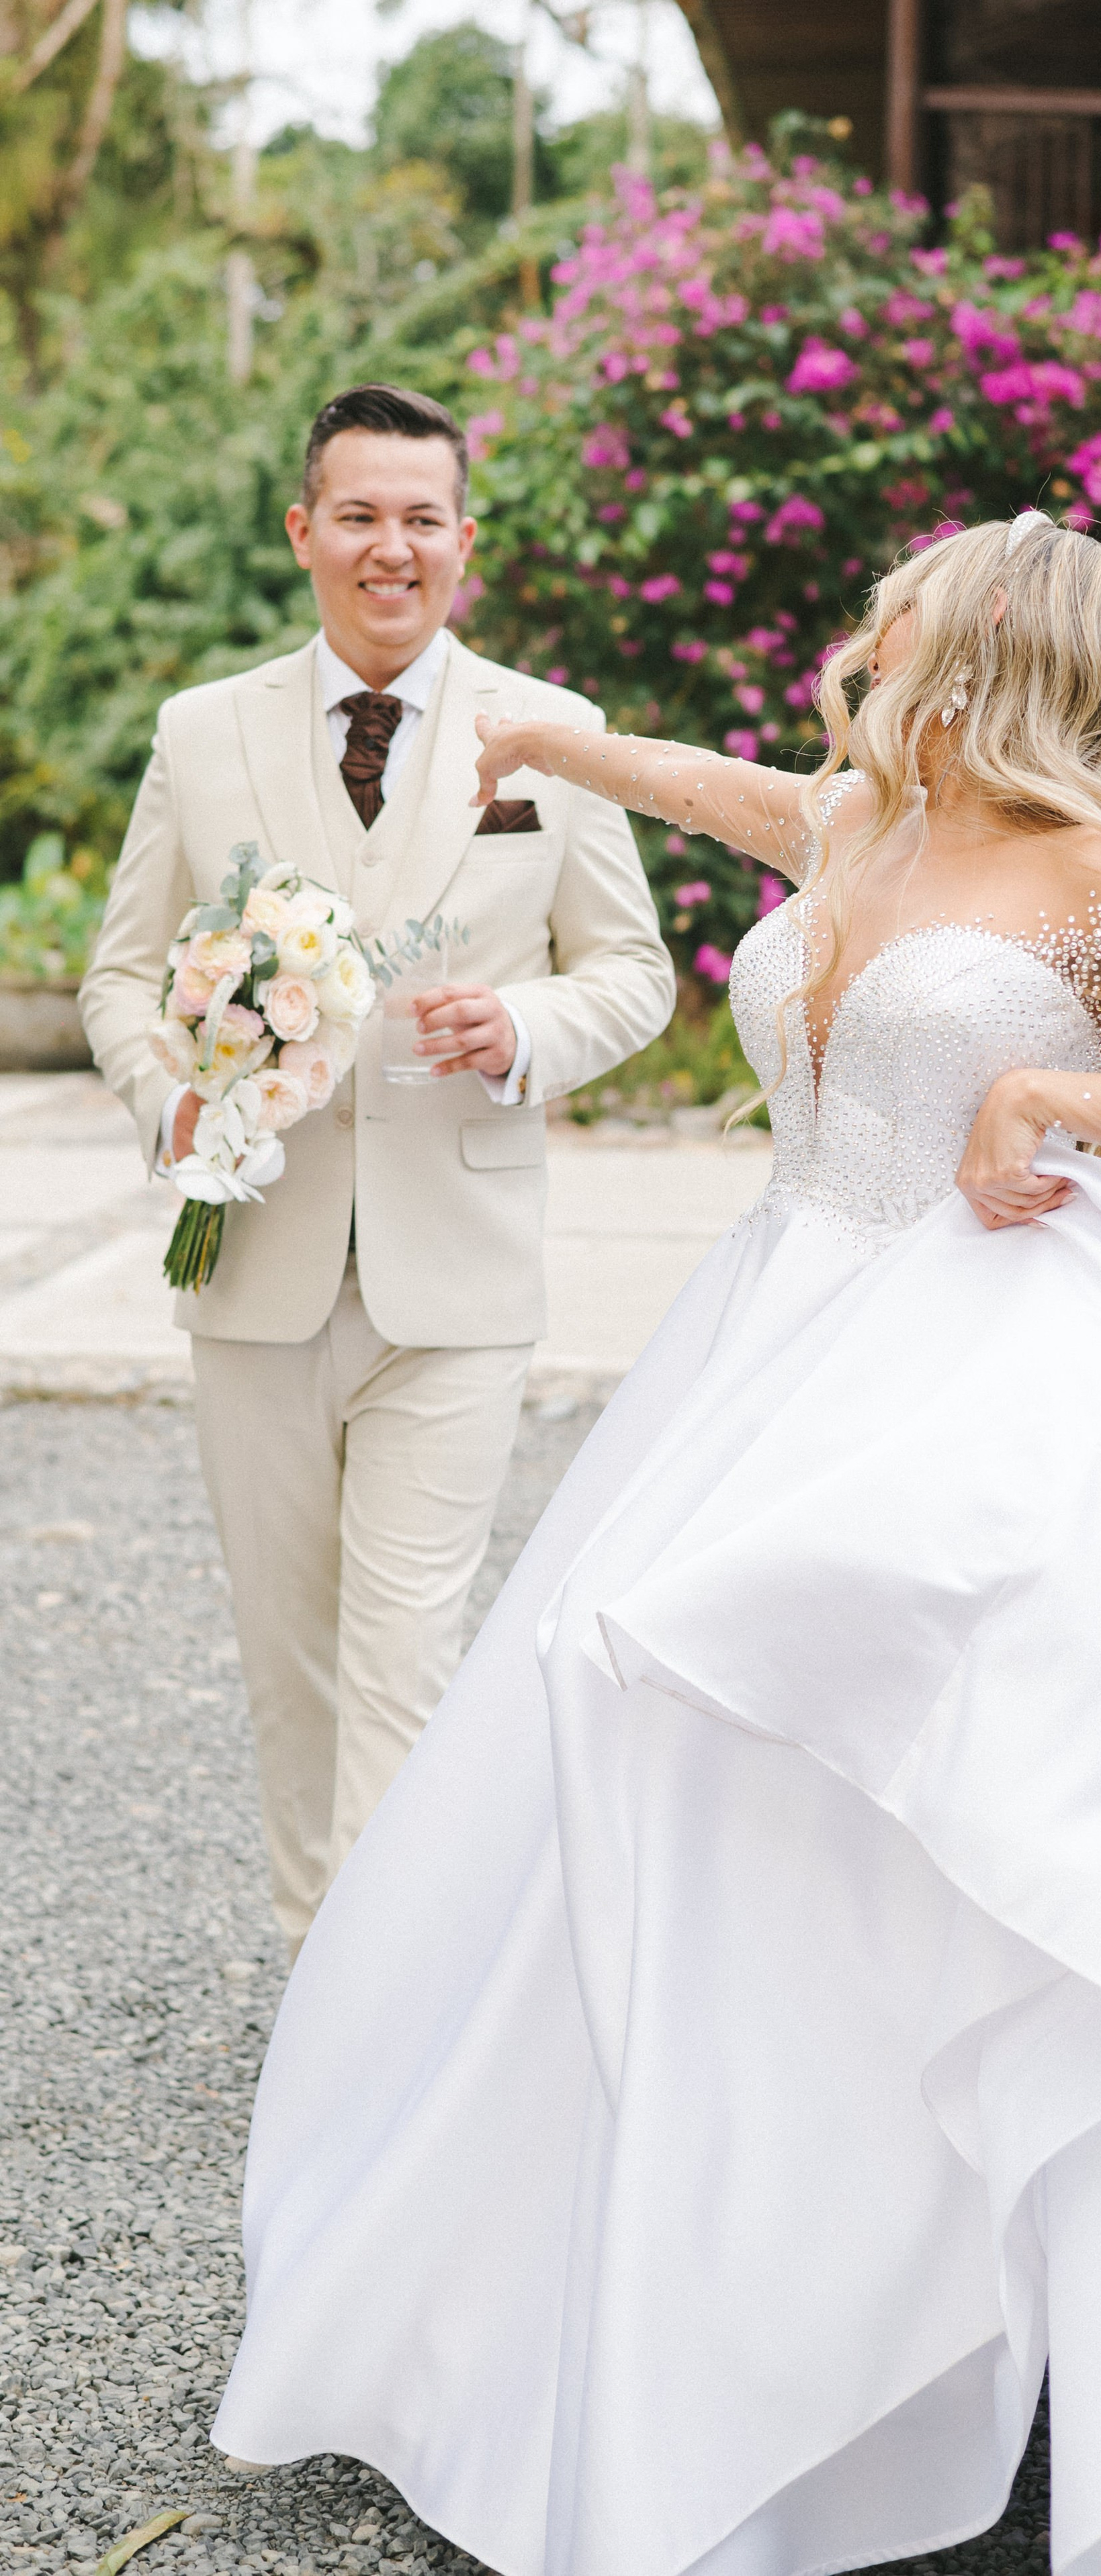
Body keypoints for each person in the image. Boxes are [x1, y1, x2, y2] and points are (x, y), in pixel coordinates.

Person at [211, 514, 1101, 2574]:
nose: (865, 637)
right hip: (774, 1342)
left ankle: (966, 2298)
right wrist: (544, 739)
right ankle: (708, 2284)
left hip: (989, 1377)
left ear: (985, 652)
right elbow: (704, 790)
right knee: (654, 1742)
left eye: (906, 615)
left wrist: (1054, 1089)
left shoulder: (1096, 879)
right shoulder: (858, 815)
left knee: (937, 1807)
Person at [80, 383, 676, 1958]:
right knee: (291, 1664)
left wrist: (526, 1022)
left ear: (464, 545)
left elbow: (633, 969)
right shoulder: (202, 735)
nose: (390, 547)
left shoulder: (551, 734)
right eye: (359, 514)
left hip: (455, 1277)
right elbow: (119, 977)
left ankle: (379, 2005)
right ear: (304, 532)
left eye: (423, 519)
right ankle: (311, 1955)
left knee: (406, 1653)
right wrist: (173, 1103)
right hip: (254, 1263)